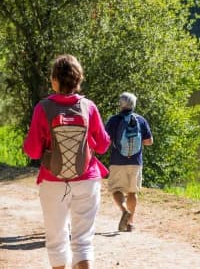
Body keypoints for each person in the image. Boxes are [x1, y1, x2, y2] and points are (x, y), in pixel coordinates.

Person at [23, 54, 111, 269]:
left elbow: (33, 151)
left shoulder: (42, 108)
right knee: (83, 242)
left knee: (56, 240)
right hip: (87, 179)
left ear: (54, 80)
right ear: (78, 80)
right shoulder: (89, 107)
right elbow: (103, 145)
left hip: (52, 181)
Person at [105, 92, 153, 232]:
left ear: (121, 104)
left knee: (116, 190)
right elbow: (149, 141)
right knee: (132, 192)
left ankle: (124, 210)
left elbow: (106, 140)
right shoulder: (141, 120)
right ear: (134, 104)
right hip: (136, 161)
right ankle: (130, 223)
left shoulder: (114, 120)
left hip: (117, 161)